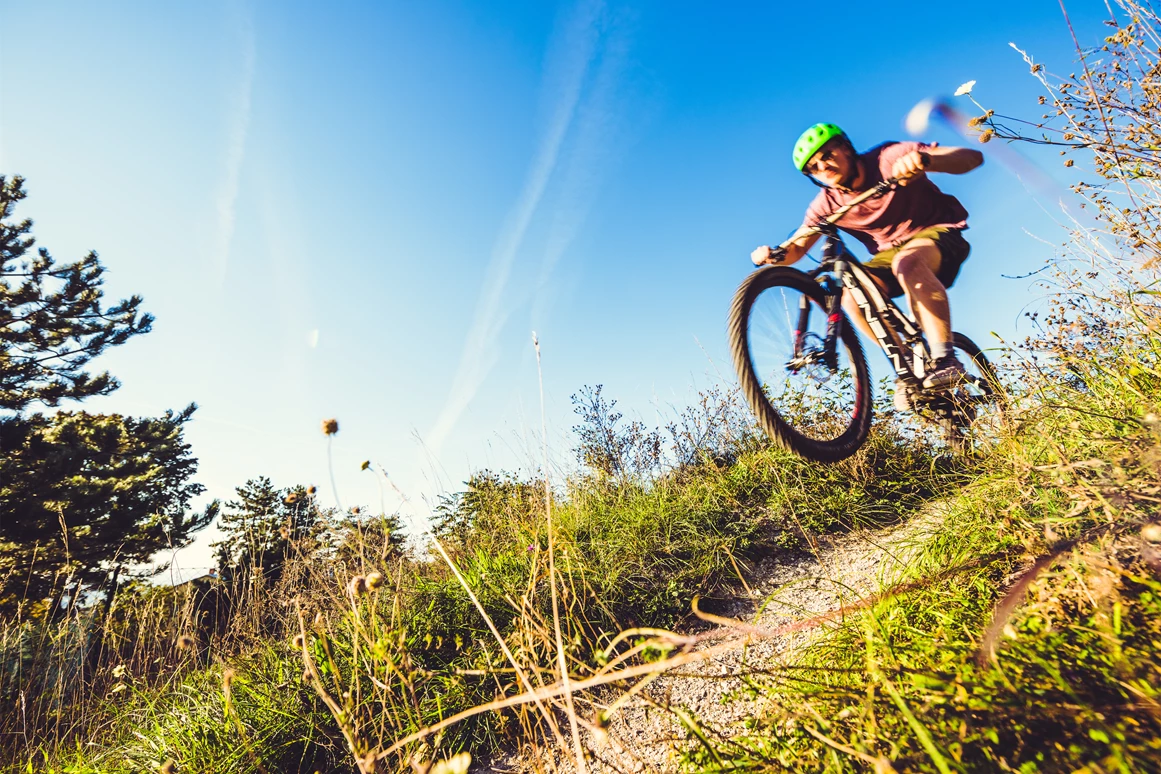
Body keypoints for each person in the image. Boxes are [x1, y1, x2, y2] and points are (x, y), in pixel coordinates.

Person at [751, 122, 984, 405]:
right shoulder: (827, 204)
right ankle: (908, 368)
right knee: (852, 296)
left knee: (907, 264)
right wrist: (770, 255)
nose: (823, 166)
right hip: (890, 253)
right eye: (813, 167)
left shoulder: (887, 158)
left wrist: (925, 160)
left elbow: (972, 158)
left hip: (938, 232)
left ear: (846, 147)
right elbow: (797, 247)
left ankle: (944, 358)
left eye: (827, 154)